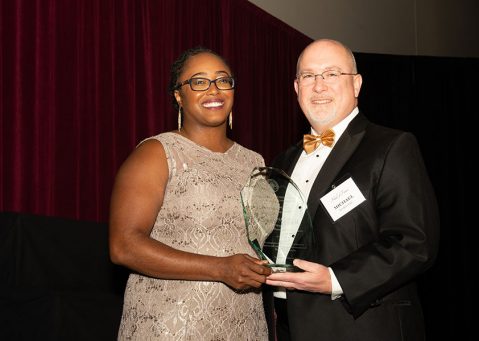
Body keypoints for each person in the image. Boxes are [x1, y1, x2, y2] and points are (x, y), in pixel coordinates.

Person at [264, 39, 440, 341]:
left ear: (356, 85)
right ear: (296, 88)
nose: (319, 86)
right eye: (308, 76)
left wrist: (335, 279)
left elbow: (415, 242)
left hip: (360, 327)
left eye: (332, 74)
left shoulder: (391, 147)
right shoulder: (283, 161)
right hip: (286, 329)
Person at [109, 46, 272, 340]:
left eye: (223, 80)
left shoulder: (255, 162)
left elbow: (262, 244)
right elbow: (124, 246)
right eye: (198, 81)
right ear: (178, 96)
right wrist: (220, 268)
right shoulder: (157, 153)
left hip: (244, 324)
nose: (214, 90)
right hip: (174, 325)